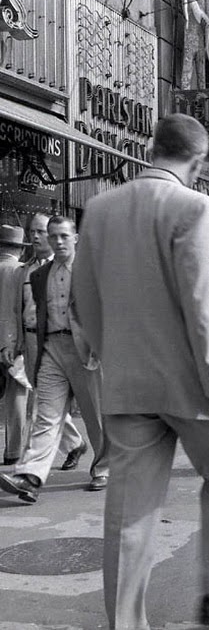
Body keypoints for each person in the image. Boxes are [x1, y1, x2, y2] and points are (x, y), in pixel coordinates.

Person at [71, 114, 209, 630]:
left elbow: (82, 299)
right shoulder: (193, 206)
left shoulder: (99, 208)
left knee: (128, 514)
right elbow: (201, 303)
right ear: (196, 162)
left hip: (128, 383)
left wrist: (114, 354)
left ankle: (126, 624)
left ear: (153, 148)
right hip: (193, 385)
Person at [0, 217, 109, 504]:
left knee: (95, 416)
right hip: (51, 349)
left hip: (86, 350)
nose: (57, 241)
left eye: (63, 236)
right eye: (53, 236)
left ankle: (103, 468)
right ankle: (31, 476)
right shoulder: (38, 275)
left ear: (76, 238)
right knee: (45, 416)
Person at [0, 214, 85, 470]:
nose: (36, 236)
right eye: (32, 232)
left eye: (40, 231)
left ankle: (34, 464)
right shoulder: (23, 271)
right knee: (44, 401)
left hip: (64, 343)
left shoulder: (73, 268)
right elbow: (15, 310)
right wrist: (10, 343)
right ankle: (67, 448)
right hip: (31, 342)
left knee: (46, 403)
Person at [0, 225, 30, 465]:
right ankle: (13, 451)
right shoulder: (21, 271)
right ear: (19, 249)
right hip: (15, 341)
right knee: (17, 395)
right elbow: (18, 310)